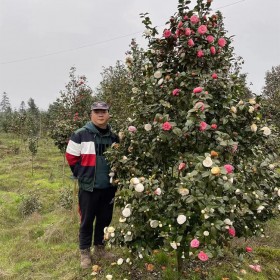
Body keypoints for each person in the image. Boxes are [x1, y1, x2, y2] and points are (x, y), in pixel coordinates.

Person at [65, 101, 119, 269]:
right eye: (97, 111)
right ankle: (85, 252)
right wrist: (82, 174)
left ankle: (100, 248)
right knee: (87, 220)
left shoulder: (114, 137)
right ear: (91, 114)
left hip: (109, 187)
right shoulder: (81, 134)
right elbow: (71, 157)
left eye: (104, 111)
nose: (100, 114)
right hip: (89, 187)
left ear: (109, 114)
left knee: (105, 219)